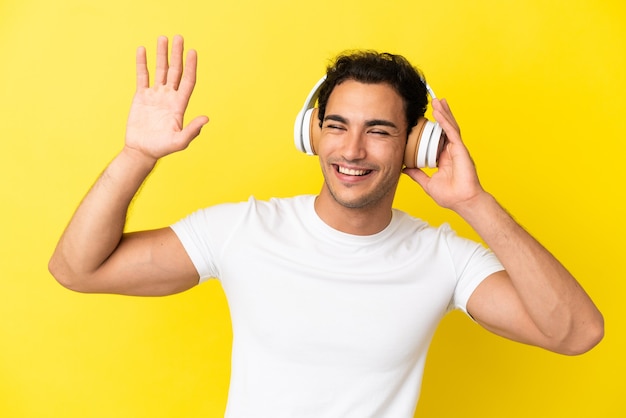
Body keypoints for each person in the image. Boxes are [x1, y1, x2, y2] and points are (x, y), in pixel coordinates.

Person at [49, 35, 603, 417]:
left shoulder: (443, 259)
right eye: (336, 126)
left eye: (380, 131)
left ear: (418, 142)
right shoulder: (243, 230)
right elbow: (76, 269)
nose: (352, 150)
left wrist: (475, 203)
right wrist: (136, 155)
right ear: (310, 133)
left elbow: (576, 332)